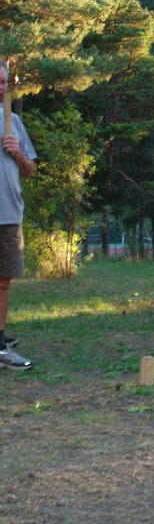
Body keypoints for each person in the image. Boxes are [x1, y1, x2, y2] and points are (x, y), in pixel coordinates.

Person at [0, 60, 36, 371]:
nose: (1, 86)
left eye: (3, 82)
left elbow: (30, 170)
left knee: (3, 282)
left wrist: (17, 153)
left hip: (9, 214)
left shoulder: (12, 121)